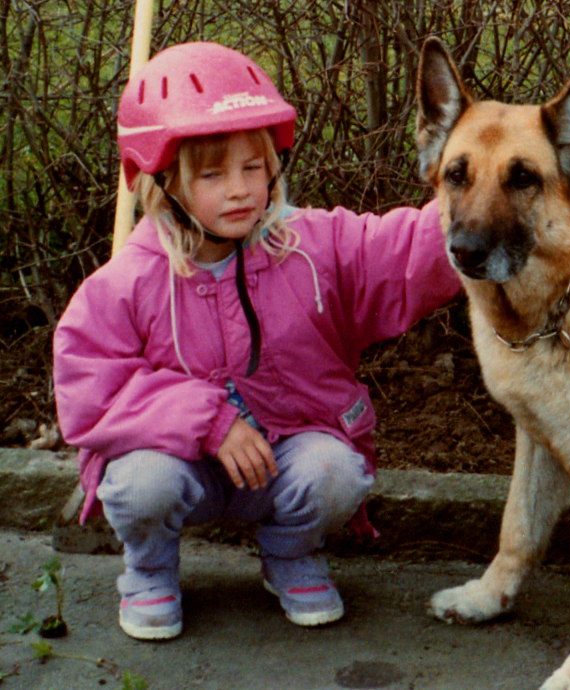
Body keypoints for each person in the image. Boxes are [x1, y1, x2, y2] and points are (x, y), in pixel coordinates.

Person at [53, 42, 460, 641]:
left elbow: (399, 252)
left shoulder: (310, 248)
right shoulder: (129, 281)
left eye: (253, 167)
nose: (240, 189)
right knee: (141, 483)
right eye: (212, 174)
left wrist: (474, 209)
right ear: (162, 183)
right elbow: (92, 390)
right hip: (180, 468)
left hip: (283, 459)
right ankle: (150, 570)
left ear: (274, 165)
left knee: (335, 472)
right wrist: (208, 422)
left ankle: (290, 554)